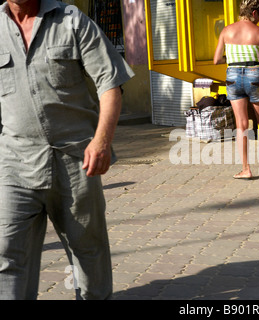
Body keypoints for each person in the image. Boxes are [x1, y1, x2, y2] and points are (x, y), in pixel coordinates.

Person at [0, 0, 134, 299]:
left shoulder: (72, 21)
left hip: (75, 161)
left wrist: (101, 140)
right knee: (7, 253)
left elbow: (110, 84)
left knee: (88, 249)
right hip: (14, 162)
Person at [213, 0, 259, 179]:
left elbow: (216, 60)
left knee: (241, 125)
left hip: (232, 77)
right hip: (255, 77)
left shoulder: (226, 31)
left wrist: (232, 59)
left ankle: (246, 169)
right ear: (254, 13)